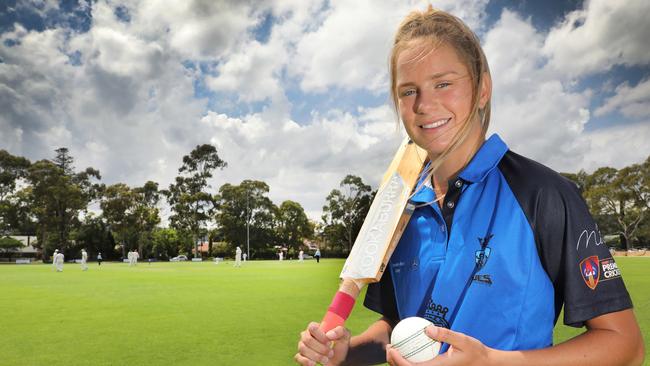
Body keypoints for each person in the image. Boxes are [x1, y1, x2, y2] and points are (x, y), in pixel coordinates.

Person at [295, 6, 645, 366]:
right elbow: (399, 328)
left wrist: (492, 362)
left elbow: (625, 344)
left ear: (482, 89)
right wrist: (345, 353)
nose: (424, 105)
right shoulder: (401, 208)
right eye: (408, 91)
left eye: (443, 83)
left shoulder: (543, 194)